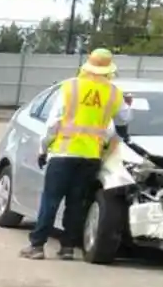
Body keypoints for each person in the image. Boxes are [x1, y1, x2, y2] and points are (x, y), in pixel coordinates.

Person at [21, 48, 128, 261]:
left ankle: (37, 247)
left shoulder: (71, 87)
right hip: (91, 158)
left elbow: (54, 123)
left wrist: (43, 148)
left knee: (50, 200)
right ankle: (68, 248)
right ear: (109, 69)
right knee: (76, 203)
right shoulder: (114, 93)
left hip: (63, 154)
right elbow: (124, 118)